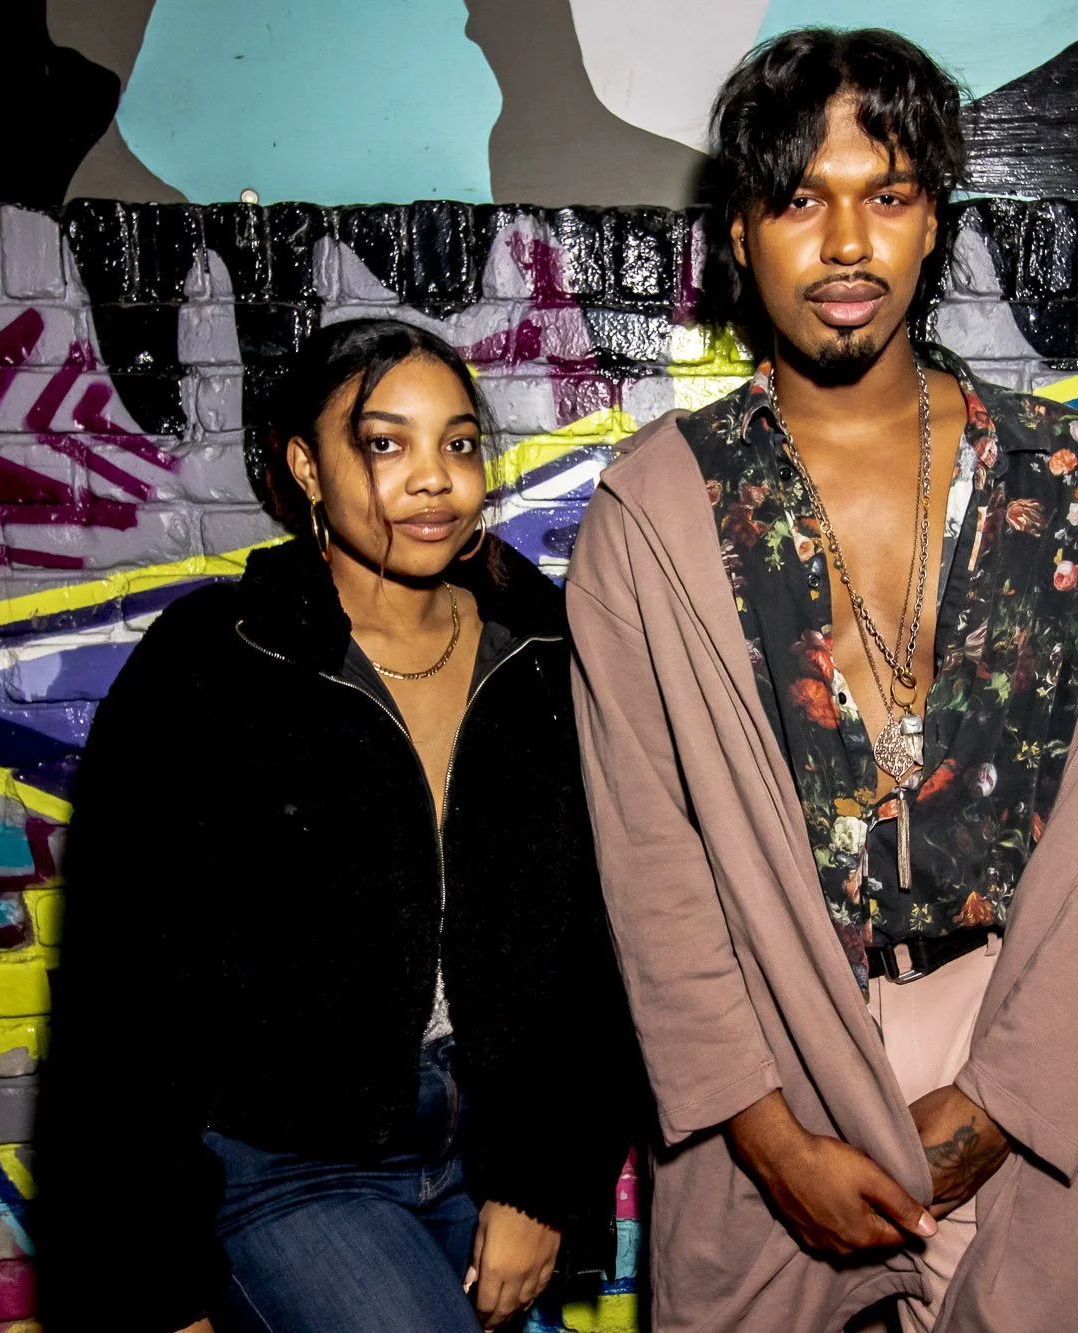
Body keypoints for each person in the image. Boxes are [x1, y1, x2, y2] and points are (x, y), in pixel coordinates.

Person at [567, 28, 1078, 1333]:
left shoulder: (1062, 478)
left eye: (884, 195)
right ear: (739, 234)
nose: (846, 244)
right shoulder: (655, 507)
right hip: (767, 1052)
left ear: (931, 220)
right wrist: (769, 1139)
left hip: (1005, 1026)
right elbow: (650, 863)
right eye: (799, 200)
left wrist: (1003, 1104)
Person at [33, 318, 640, 1333]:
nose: (434, 478)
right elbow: (123, 985)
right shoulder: (216, 661)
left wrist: (542, 1181)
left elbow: (596, 940)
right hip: (287, 1165)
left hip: (488, 1151)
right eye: (384, 442)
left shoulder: (538, 651)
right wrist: (151, 1283)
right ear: (305, 466)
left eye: (457, 442)